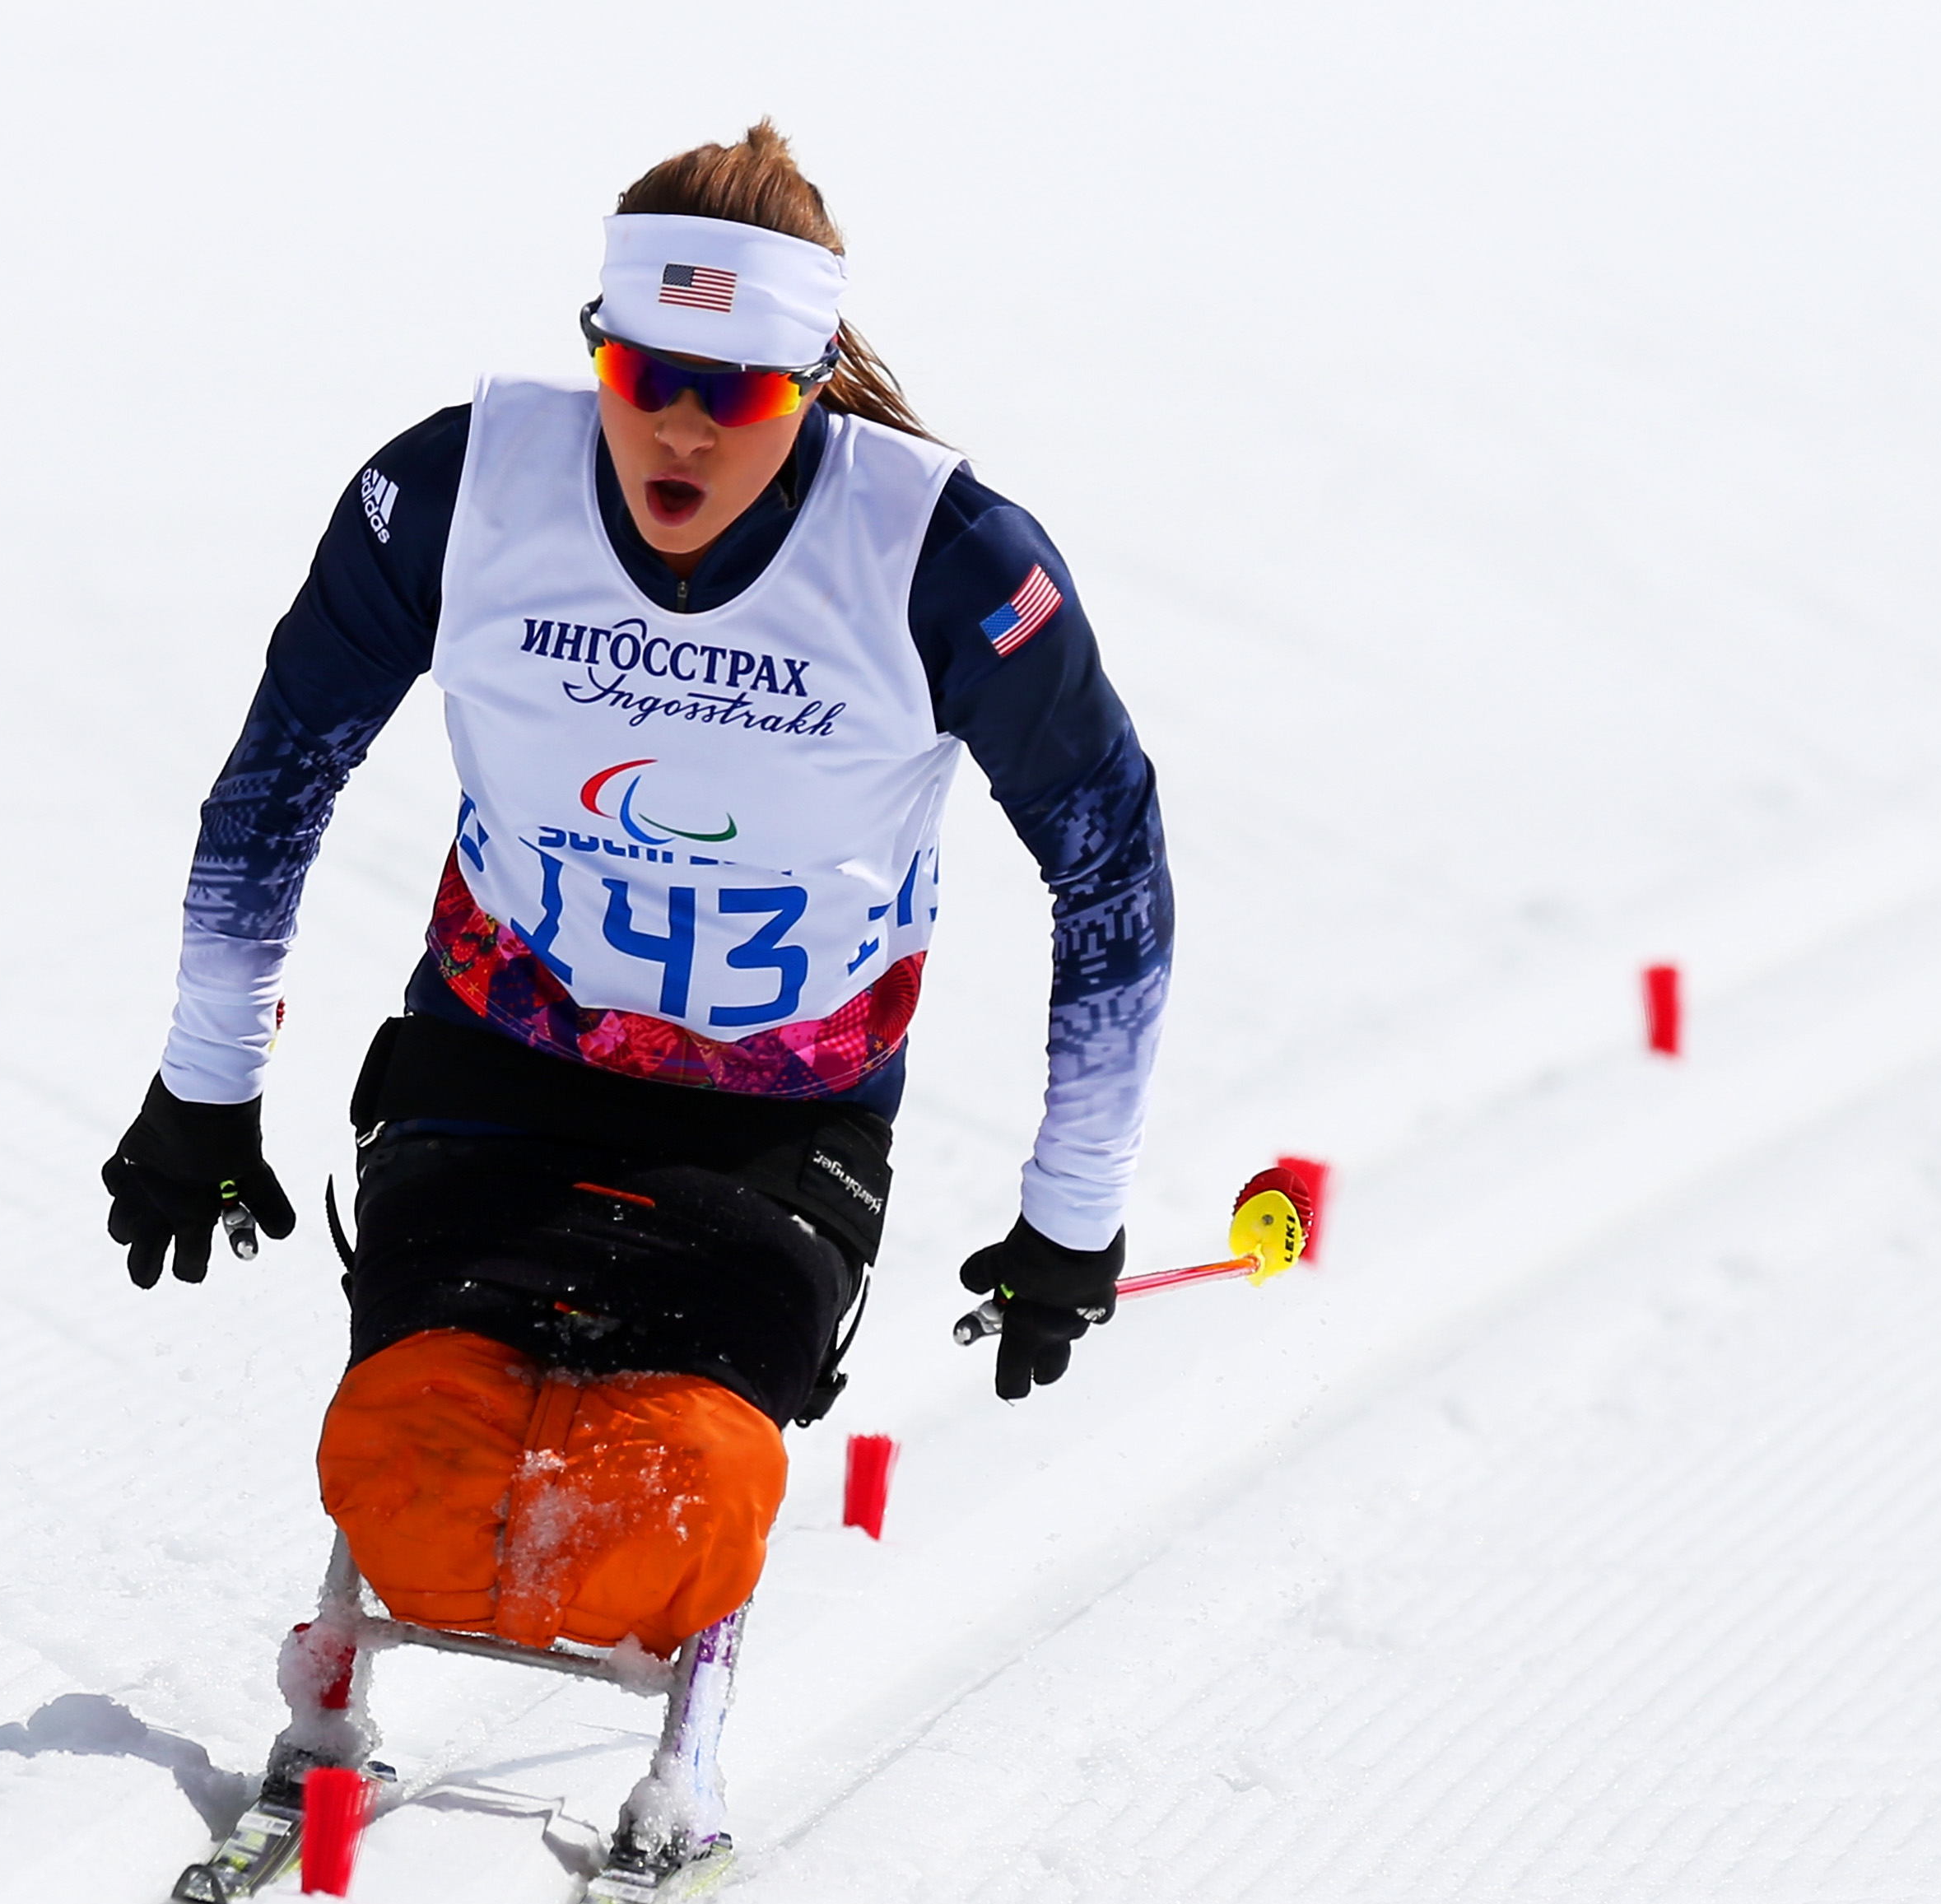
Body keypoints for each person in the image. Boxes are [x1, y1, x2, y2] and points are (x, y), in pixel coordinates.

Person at [99, 120, 1173, 1687]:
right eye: (640, 375)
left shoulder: (939, 558)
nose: (677, 429)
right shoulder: (461, 490)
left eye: (730, 393)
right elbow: (277, 776)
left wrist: (1072, 1213)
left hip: (774, 1123)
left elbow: (1113, 872)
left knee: (661, 1511)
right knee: (411, 1475)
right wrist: (207, 1087)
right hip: (495, 1065)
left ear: (803, 389)